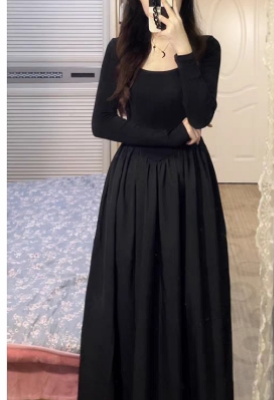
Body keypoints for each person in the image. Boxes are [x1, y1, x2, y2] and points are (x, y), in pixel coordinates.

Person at [77, 0, 232, 398]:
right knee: (132, 284)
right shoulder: (120, 49)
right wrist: (170, 136)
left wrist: (182, 46)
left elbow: (201, 113)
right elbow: (101, 123)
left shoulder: (206, 48)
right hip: (133, 182)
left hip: (187, 186)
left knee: (186, 286)